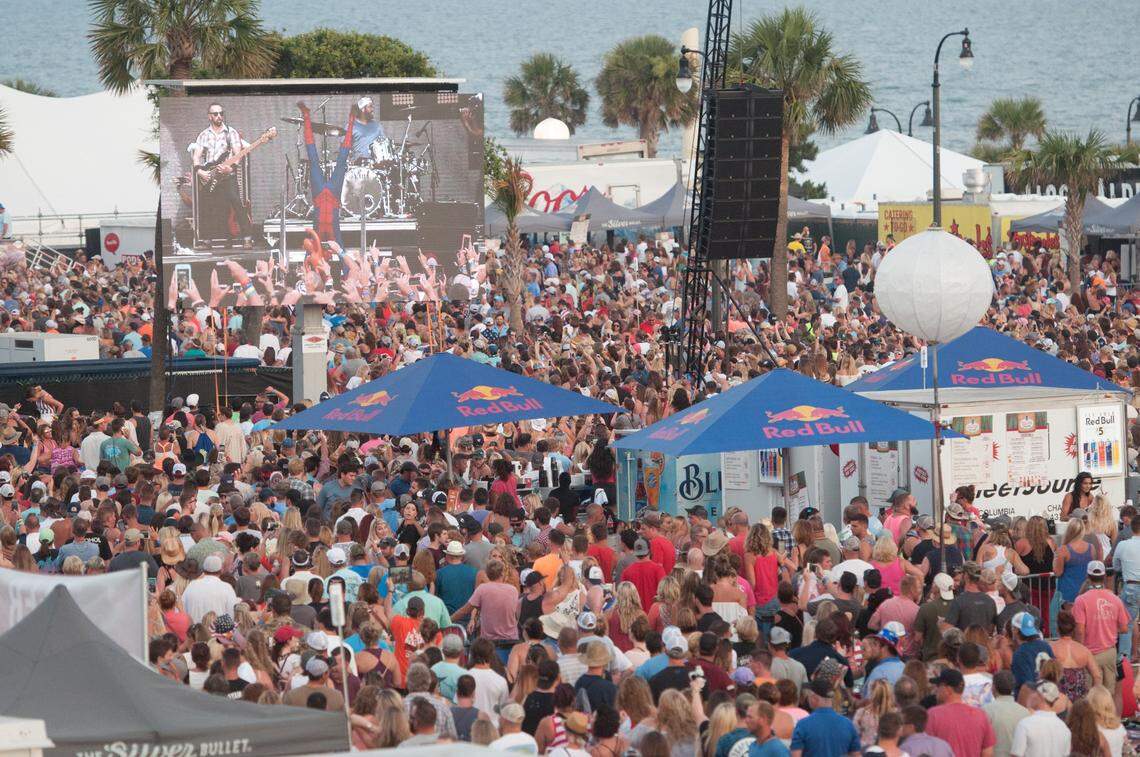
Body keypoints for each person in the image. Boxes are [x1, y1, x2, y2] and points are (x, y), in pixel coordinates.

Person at [190, 102, 254, 248]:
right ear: (209, 117)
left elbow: (238, 154)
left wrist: (230, 168)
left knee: (237, 202)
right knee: (206, 206)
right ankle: (206, 240)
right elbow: (196, 156)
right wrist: (200, 171)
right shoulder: (203, 135)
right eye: (215, 114)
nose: (219, 116)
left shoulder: (231, 133)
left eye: (221, 113)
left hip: (227, 175)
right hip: (209, 175)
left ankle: (247, 238)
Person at [1072, 560, 1129, 690]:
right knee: (1107, 695)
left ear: (1087, 576)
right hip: (1109, 651)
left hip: (1089, 653)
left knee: (1090, 696)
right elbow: (1124, 628)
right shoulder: (1115, 598)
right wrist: (1108, 627)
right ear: (1104, 577)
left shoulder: (1081, 600)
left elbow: (1080, 630)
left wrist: (1079, 652)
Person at [924, 668, 997, 757]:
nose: (936, 689)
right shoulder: (980, 715)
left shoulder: (933, 715)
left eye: (938, 685)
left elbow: (926, 750)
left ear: (947, 689)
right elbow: (988, 753)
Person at [789, 677, 860, 757]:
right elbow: (856, 754)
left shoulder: (803, 725)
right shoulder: (848, 724)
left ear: (814, 698)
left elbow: (795, 755)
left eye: (808, 696)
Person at [1009, 680, 1070, 757]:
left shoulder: (1025, 724)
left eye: (1034, 693)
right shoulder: (1064, 729)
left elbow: (1016, 755)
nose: (1030, 696)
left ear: (1040, 696)